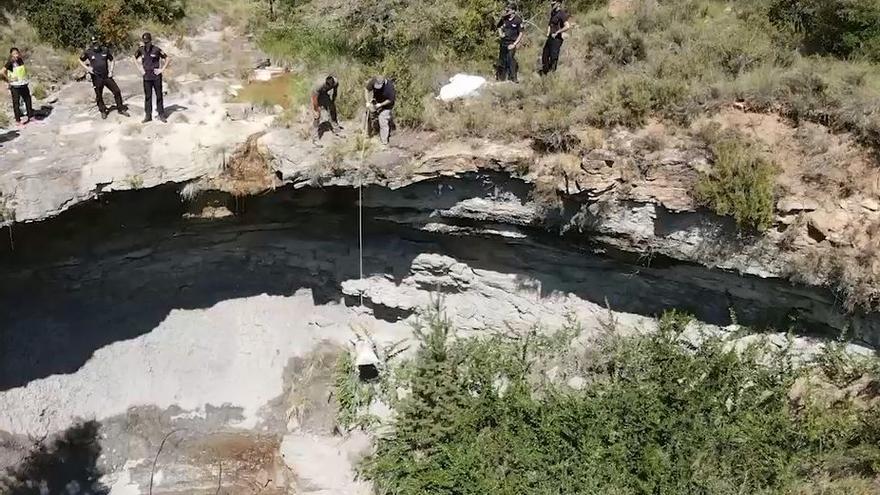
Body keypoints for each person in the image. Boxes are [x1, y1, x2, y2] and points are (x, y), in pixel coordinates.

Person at [79, 36, 128, 119]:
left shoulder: (105, 50)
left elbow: (112, 60)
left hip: (106, 75)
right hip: (96, 77)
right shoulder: (89, 52)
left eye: (96, 43)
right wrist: (87, 68)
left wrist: (111, 71)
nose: (95, 45)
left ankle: (120, 108)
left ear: (99, 42)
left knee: (116, 91)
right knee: (99, 95)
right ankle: (103, 110)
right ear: (92, 43)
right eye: (93, 43)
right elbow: (80, 60)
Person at [134, 33, 170, 123]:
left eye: (148, 41)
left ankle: (161, 114)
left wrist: (162, 69)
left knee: (159, 95)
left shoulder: (156, 49)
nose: (146, 43)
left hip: (156, 77)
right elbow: (133, 57)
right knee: (148, 97)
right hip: (146, 77)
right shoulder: (141, 49)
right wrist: (140, 68)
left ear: (151, 40)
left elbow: (167, 58)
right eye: (145, 42)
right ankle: (148, 116)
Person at [3, 47, 34, 126]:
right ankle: (18, 121)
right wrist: (9, 80)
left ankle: (30, 116)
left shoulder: (20, 60)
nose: (16, 55)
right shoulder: (10, 62)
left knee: (28, 100)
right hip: (15, 86)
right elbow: (2, 72)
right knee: (16, 103)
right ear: (11, 55)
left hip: (23, 84)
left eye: (17, 53)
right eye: (14, 54)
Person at [540, 0, 571, 75]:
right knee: (545, 55)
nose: (551, 4)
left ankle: (552, 75)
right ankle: (545, 73)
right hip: (550, 38)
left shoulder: (562, 14)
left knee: (553, 58)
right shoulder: (553, 13)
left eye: (553, 3)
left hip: (557, 39)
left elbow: (567, 26)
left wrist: (557, 32)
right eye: (551, 3)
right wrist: (548, 32)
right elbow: (550, 24)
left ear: (559, 4)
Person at [496, 3, 524, 83]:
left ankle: (513, 78)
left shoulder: (518, 20)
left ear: (513, 11)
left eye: (509, 10)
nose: (507, 11)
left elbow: (521, 33)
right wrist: (500, 34)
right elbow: (498, 27)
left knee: (510, 59)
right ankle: (502, 77)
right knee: (502, 60)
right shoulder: (504, 18)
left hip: (512, 43)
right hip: (503, 42)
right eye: (507, 9)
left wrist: (514, 44)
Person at [364, 76, 395, 146]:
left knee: (382, 120)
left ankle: (384, 142)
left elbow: (390, 100)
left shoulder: (389, 87)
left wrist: (380, 105)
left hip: (387, 105)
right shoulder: (373, 81)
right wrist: (367, 102)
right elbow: (366, 89)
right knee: (367, 114)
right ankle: (368, 134)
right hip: (376, 101)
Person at [311, 75, 341, 146]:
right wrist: (316, 109)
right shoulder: (319, 85)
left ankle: (336, 129)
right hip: (315, 95)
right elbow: (315, 98)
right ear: (325, 83)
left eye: (329, 86)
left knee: (332, 110)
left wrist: (332, 102)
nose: (328, 87)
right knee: (317, 116)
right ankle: (315, 138)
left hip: (324, 94)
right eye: (327, 85)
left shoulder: (335, 82)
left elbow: (335, 92)